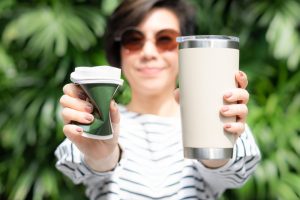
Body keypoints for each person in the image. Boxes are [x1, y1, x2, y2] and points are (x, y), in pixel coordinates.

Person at [55, 0, 261, 199]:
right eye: (134, 39)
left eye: (165, 39)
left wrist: (213, 136)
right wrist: (102, 155)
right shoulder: (98, 120)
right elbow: (79, 165)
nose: (148, 52)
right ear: (118, 51)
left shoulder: (224, 120)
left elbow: (233, 175)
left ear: (186, 50)